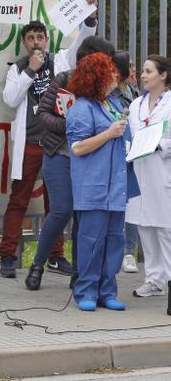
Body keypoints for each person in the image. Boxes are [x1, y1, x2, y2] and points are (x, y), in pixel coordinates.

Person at [0, 0, 97, 279]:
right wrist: (31, 69)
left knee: (57, 203)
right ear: (25, 43)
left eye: (40, 37)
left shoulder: (61, 61)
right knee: (19, 199)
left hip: (56, 144)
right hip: (30, 143)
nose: (36, 42)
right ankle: (8, 255)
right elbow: (10, 98)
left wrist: (90, 17)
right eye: (30, 38)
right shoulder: (18, 69)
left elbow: (83, 42)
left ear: (47, 39)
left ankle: (55, 256)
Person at [25, 36, 115, 291]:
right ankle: (38, 265)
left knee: (82, 215)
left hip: (88, 160)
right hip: (59, 154)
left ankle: (80, 272)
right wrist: (71, 125)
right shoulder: (63, 80)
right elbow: (42, 114)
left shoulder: (103, 89)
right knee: (61, 210)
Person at [65, 52, 129, 312]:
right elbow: (78, 148)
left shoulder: (112, 104)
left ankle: (107, 290)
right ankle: (85, 290)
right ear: (97, 76)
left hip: (115, 186)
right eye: (110, 70)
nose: (115, 75)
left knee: (114, 240)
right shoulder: (81, 108)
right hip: (93, 186)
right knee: (91, 240)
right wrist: (109, 133)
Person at [125, 55, 171, 298]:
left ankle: (170, 279)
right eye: (142, 71)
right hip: (140, 171)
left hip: (163, 171)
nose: (143, 75)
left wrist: (160, 145)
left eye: (148, 71)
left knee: (166, 229)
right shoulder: (136, 105)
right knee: (145, 227)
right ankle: (154, 280)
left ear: (163, 75)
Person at [110, 51, 141, 274]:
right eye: (129, 65)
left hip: (134, 152)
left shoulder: (135, 94)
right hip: (115, 151)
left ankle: (129, 251)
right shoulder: (110, 96)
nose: (133, 70)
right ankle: (113, 250)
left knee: (132, 203)